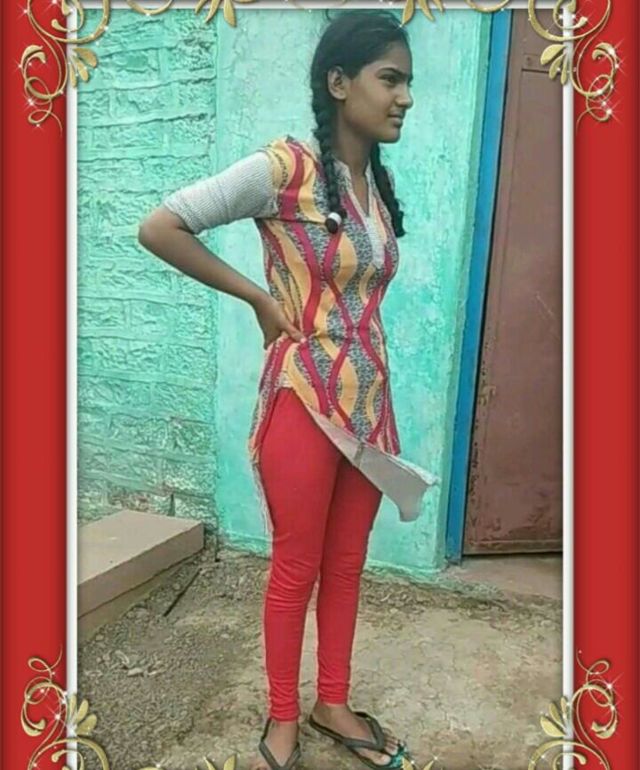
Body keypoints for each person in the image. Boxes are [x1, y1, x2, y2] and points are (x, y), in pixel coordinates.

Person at [138, 10, 436, 770]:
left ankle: (331, 703)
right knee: (296, 566)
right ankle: (280, 717)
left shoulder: (371, 185)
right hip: (303, 401)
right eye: (390, 79)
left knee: (347, 564)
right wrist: (256, 298)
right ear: (339, 82)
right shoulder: (284, 169)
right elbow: (162, 227)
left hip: (369, 411)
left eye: (408, 82)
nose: (404, 97)